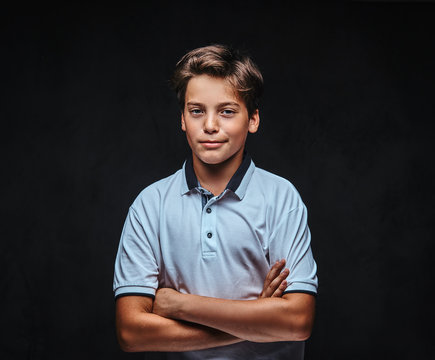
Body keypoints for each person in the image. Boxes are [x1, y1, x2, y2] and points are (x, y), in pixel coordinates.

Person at [113, 44, 318, 359]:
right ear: (183, 118)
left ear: (253, 119)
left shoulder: (282, 198)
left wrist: (180, 305)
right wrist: (255, 317)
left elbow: (296, 322)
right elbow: (132, 333)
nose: (210, 125)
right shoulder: (150, 205)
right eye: (197, 111)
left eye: (227, 111)